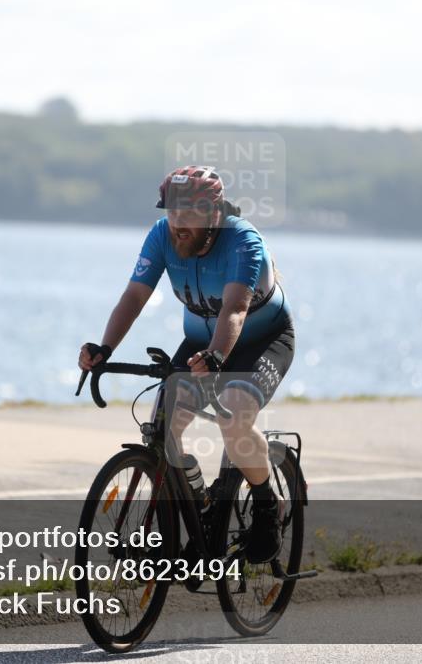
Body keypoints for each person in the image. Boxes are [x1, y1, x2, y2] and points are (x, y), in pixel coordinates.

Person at [78, 165, 295, 564]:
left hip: (261, 339)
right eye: (172, 214)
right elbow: (133, 297)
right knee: (163, 427)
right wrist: (105, 348)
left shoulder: (243, 241)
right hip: (201, 342)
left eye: (189, 216)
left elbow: (235, 309)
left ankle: (267, 505)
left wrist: (217, 358)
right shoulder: (161, 235)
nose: (178, 224)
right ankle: (200, 503)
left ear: (214, 214)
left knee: (234, 415)